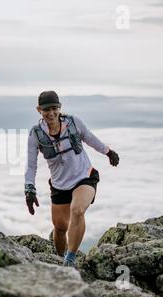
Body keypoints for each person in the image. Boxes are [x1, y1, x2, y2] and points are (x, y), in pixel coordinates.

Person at [24, 90, 119, 267]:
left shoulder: (73, 122)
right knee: (60, 229)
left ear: (60, 108)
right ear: (39, 110)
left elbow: (89, 138)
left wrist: (108, 151)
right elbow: (31, 165)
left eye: (54, 108)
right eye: (46, 109)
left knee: (77, 210)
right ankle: (61, 259)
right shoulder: (35, 134)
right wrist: (29, 188)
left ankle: (70, 259)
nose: (51, 113)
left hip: (84, 177)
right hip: (60, 185)